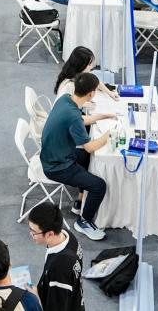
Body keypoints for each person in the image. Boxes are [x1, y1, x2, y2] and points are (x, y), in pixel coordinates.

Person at [39, 72, 114, 242]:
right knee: (99, 186)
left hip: (54, 154)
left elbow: (80, 120)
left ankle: (80, 200)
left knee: (86, 159)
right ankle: (84, 221)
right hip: (57, 166)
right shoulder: (72, 115)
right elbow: (89, 147)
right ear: (92, 94)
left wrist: (102, 116)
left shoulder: (65, 100)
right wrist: (107, 136)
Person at [26, 201, 83, 311]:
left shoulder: (59, 269)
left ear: (50, 234)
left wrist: (36, 298)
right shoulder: (68, 236)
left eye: (34, 232)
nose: (31, 235)